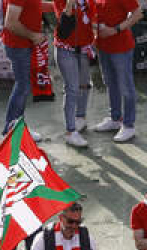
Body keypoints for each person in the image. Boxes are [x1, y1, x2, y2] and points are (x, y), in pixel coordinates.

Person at [91, 0, 142, 143]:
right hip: (103, 47)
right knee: (110, 83)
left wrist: (115, 29)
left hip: (121, 48)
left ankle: (129, 125)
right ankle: (115, 119)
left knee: (126, 87)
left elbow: (137, 14)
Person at [0, 0, 49, 137]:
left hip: (23, 45)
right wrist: (34, 36)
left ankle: (17, 128)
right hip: (19, 46)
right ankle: (10, 131)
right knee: (23, 86)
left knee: (24, 86)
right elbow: (11, 23)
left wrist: (55, 6)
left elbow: (34, 5)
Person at [54, 0, 96, 147]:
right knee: (72, 88)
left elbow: (93, 17)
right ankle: (70, 132)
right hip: (66, 49)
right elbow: (64, 26)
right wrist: (70, 3)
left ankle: (80, 117)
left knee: (84, 84)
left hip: (84, 48)